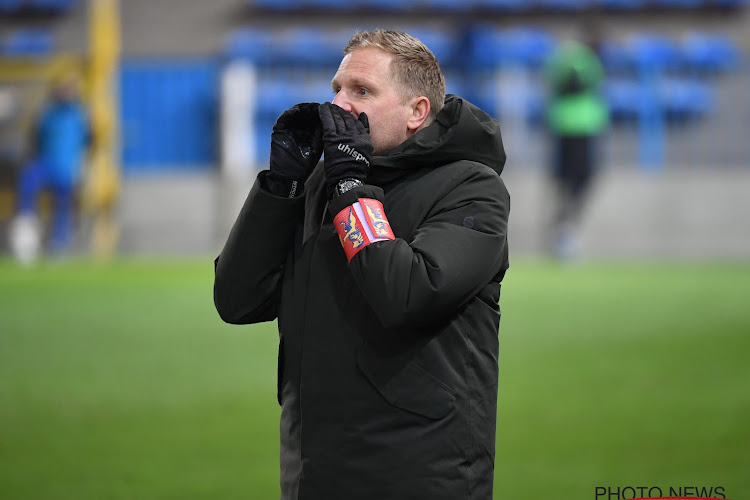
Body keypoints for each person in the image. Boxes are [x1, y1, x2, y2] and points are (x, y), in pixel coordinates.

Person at [214, 29, 510, 500]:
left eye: (362, 91)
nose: (340, 106)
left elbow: (408, 294)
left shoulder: (470, 188)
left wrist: (351, 189)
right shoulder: (320, 183)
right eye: (337, 89)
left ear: (417, 112)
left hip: (420, 473)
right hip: (314, 468)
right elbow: (236, 300)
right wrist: (281, 186)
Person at [9, 74, 90, 263]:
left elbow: (87, 143)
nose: (65, 93)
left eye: (69, 90)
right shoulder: (47, 114)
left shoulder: (79, 116)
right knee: (27, 186)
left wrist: (82, 168)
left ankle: (59, 243)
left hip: (66, 169)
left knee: (63, 206)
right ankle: (26, 231)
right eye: (62, 90)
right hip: (46, 164)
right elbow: (34, 139)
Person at [543, 36, 609, 262]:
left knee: (569, 181)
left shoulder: (566, 58)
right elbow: (572, 84)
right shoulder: (583, 61)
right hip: (577, 127)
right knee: (579, 179)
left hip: (569, 124)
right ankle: (564, 233)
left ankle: (563, 231)